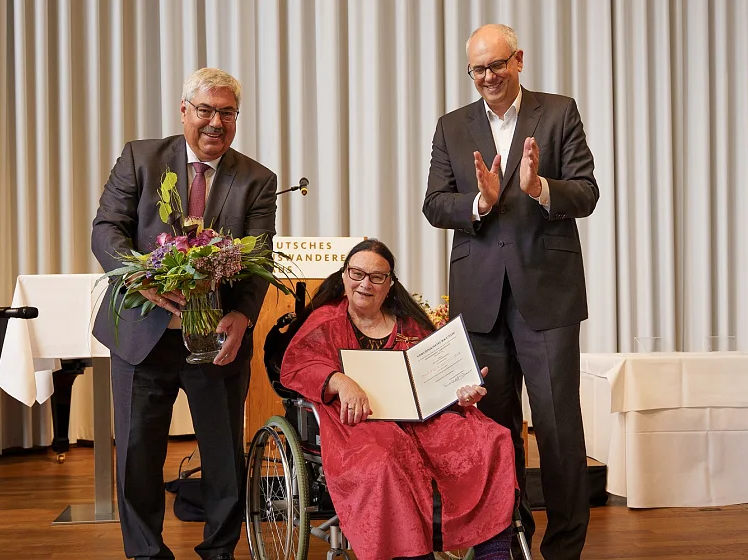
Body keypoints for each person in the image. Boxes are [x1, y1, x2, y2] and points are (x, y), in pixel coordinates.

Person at [422, 24, 600, 560]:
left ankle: (565, 546)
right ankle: (507, 539)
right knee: (494, 431)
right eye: (477, 69)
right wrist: (479, 203)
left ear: (518, 60)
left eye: (497, 65)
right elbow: (434, 203)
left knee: (556, 425)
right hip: (480, 300)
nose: (488, 77)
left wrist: (539, 188)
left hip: (547, 294)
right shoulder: (452, 126)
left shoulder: (559, 111)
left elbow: (587, 191)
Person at [92, 67, 277, 560]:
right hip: (141, 334)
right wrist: (137, 274)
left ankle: (219, 552)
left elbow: (259, 258)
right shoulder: (141, 157)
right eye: (206, 111)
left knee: (223, 461)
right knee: (136, 456)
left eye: (228, 113)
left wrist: (243, 317)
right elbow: (106, 229)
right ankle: (146, 554)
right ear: (184, 112)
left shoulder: (257, 179)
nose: (216, 122)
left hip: (215, 340)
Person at [280, 239, 517, 560]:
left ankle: (494, 550)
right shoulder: (326, 322)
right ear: (345, 276)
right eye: (357, 273)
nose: (365, 283)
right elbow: (298, 364)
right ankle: (412, 552)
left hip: (422, 419)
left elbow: (437, 375)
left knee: (492, 438)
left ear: (390, 284)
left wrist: (461, 391)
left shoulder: (409, 324)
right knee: (388, 455)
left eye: (377, 277)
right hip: (360, 422)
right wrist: (339, 380)